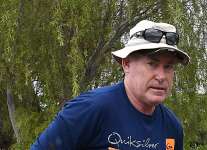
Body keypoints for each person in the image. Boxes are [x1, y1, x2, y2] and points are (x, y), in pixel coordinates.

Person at [31, 20, 190, 150]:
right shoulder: (89, 109)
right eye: (152, 64)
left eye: (168, 67)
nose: (161, 76)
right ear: (126, 64)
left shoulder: (172, 127)